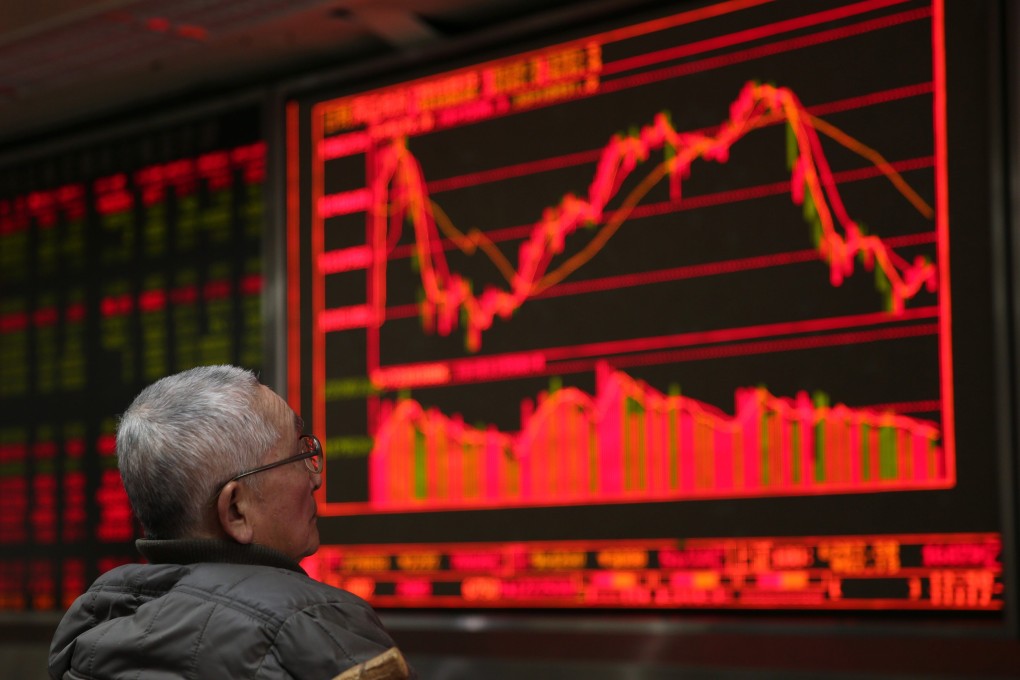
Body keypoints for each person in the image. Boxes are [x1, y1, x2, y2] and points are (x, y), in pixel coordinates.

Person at [49, 365, 414, 679]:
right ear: (236, 510)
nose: (314, 478)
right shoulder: (321, 630)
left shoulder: (92, 633)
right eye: (298, 455)